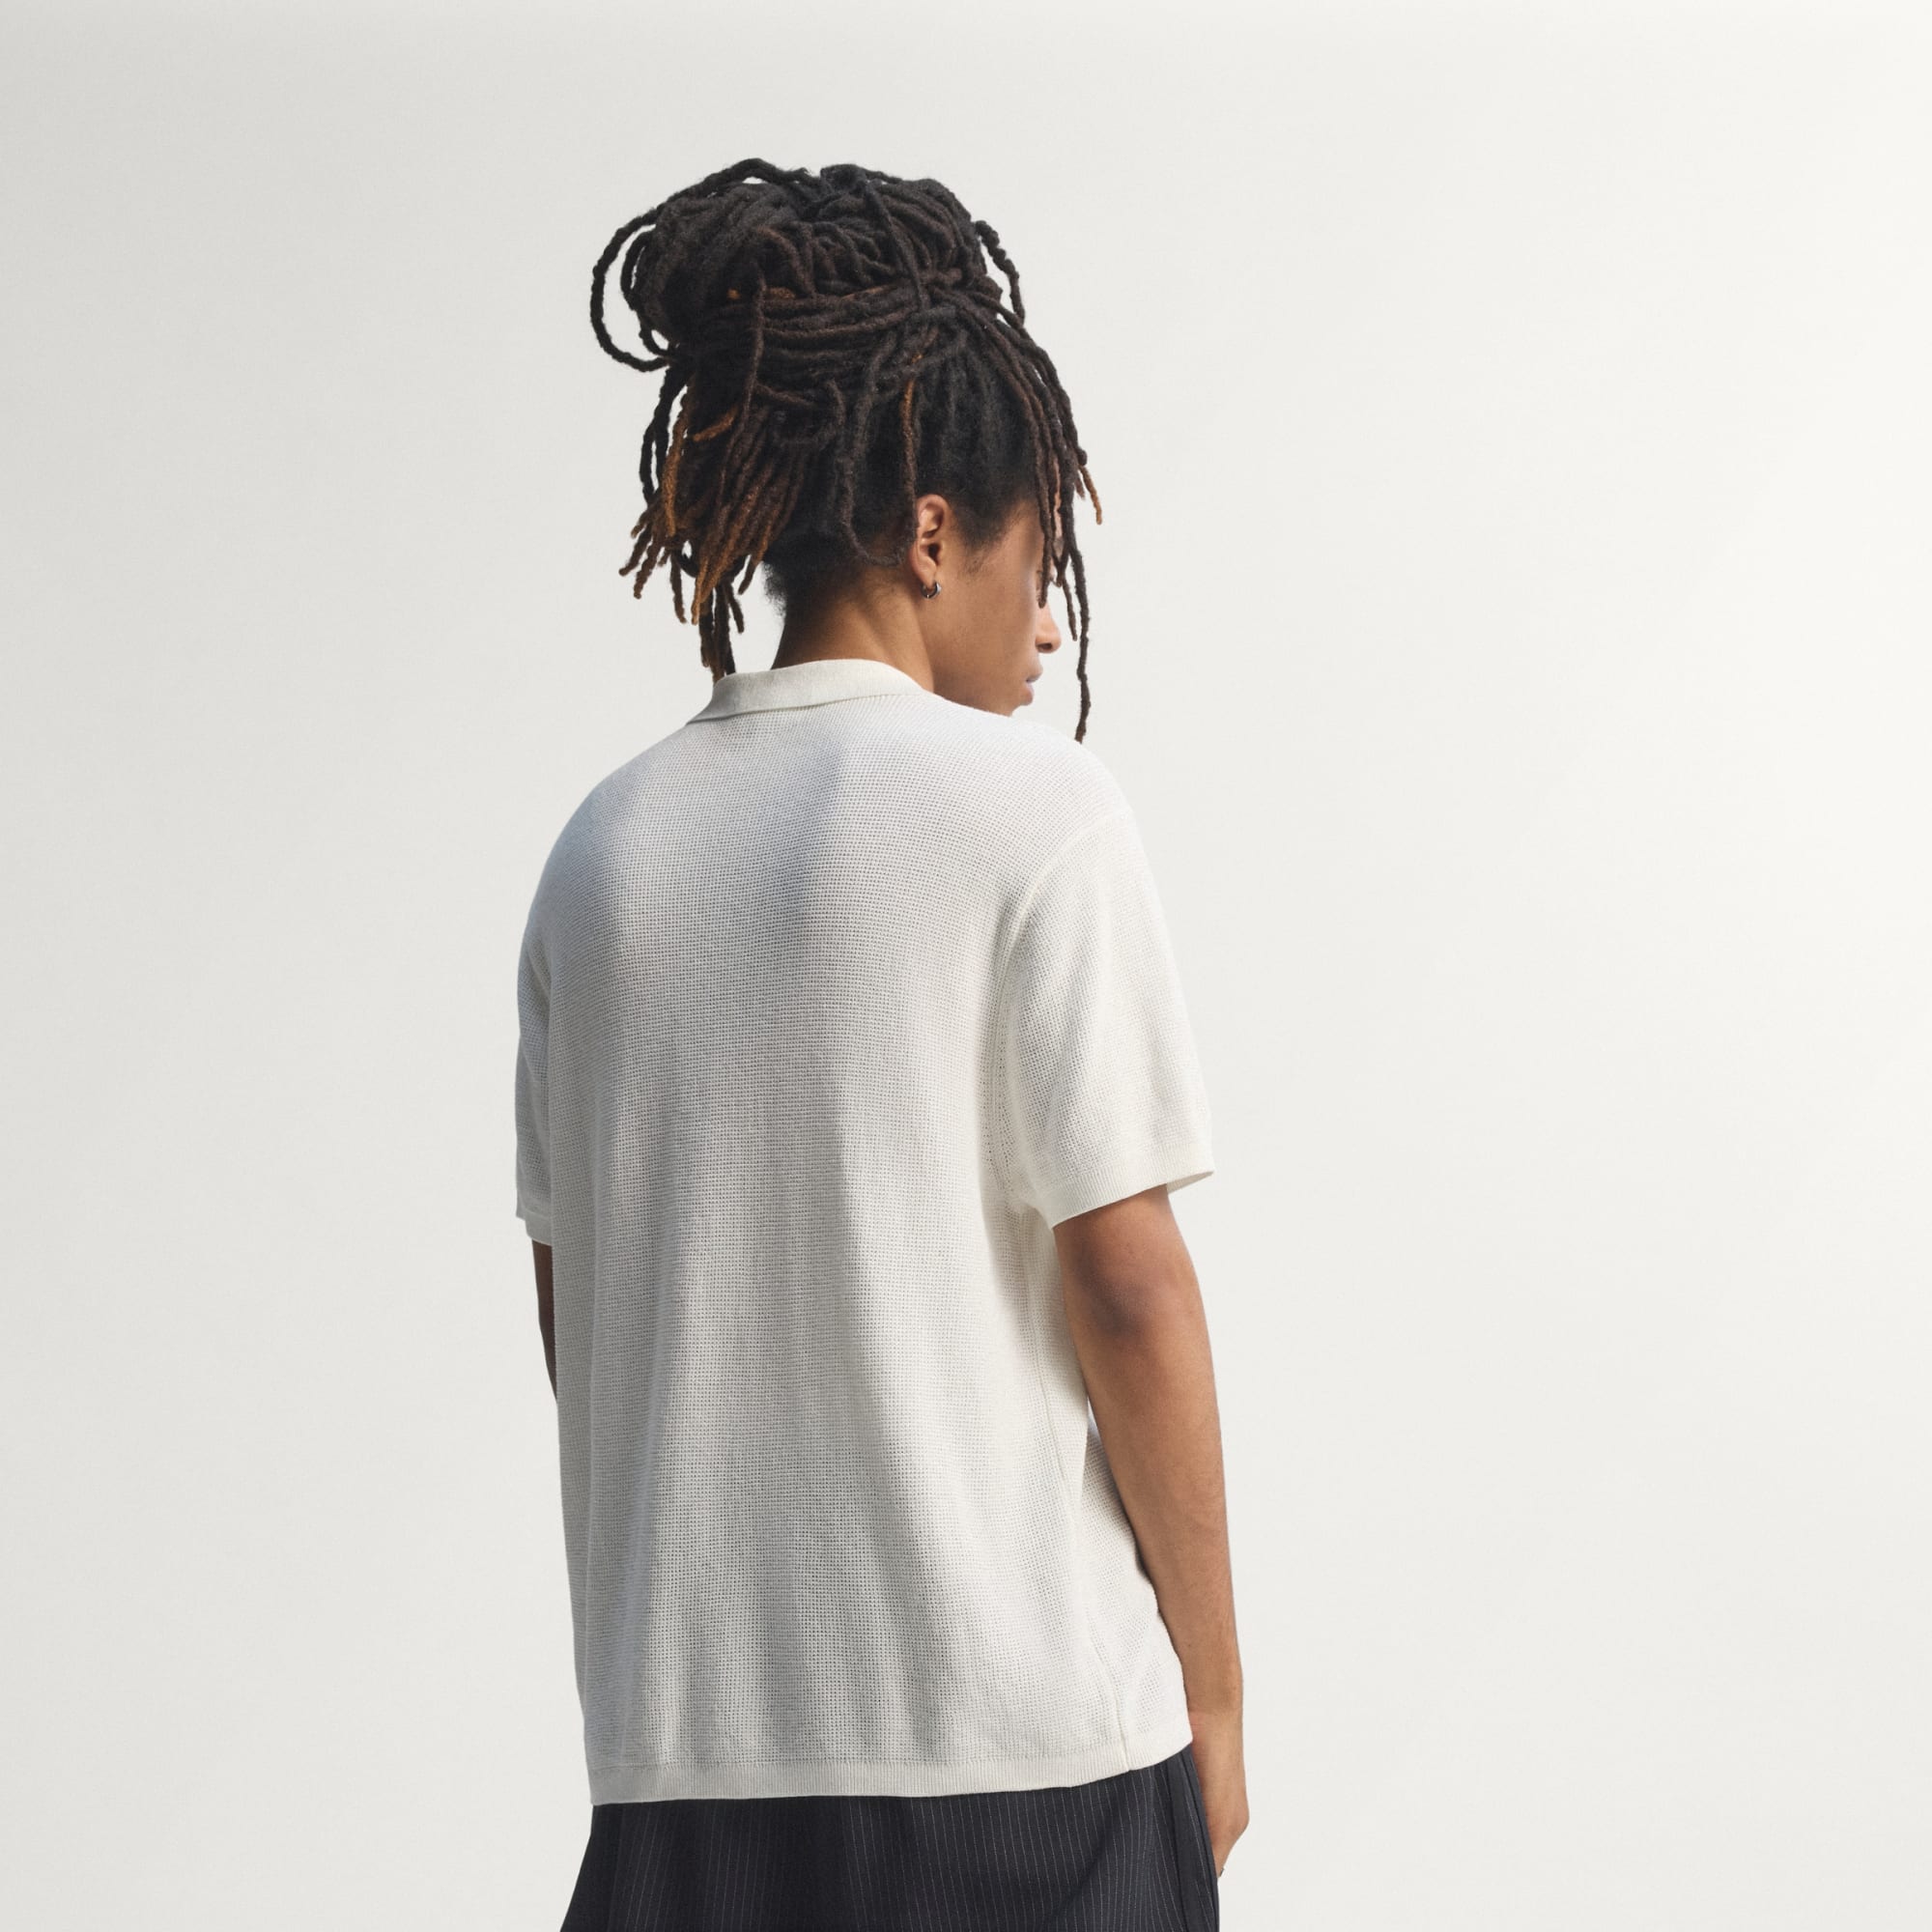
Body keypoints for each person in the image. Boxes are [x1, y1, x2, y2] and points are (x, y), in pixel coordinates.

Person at [515, 158, 1246, 1931]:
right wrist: (1216, 1699)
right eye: (1034, 559)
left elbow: (577, 1312)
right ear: (932, 537)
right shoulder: (1034, 813)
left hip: (686, 1783)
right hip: (1031, 1770)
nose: (1049, 620)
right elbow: (1129, 1284)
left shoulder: (601, 858)